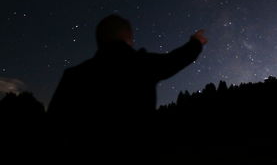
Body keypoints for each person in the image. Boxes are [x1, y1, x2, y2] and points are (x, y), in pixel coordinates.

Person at [47, 14, 207, 162]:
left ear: (99, 40)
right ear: (128, 37)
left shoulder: (74, 76)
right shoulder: (141, 64)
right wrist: (196, 42)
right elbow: (176, 59)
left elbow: (54, 124)